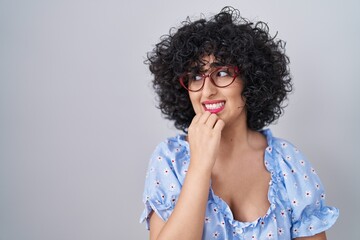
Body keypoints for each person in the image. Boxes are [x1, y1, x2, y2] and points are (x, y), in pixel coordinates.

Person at [140, 6, 339, 240]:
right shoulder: (170, 160)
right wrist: (200, 166)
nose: (207, 90)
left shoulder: (287, 162)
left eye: (222, 73)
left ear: (250, 80)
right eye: (195, 77)